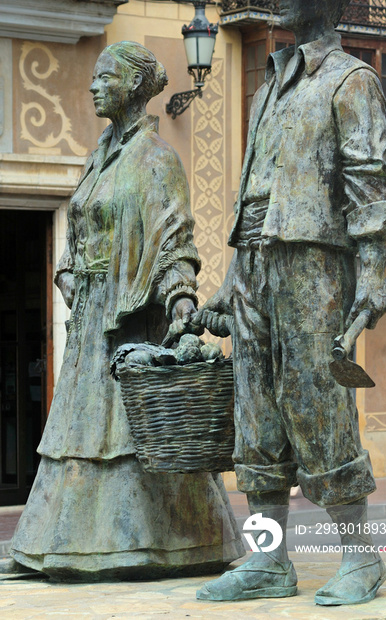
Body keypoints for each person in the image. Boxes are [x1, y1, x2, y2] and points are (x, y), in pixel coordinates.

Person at [195, 0, 386, 606]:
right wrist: (233, 278)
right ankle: (268, 561)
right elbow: (252, 187)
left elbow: (373, 191)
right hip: (255, 262)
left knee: (317, 410)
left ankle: (359, 558)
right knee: (255, 411)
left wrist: (371, 283)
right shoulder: (269, 88)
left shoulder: (352, 80)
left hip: (314, 263)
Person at [7, 41, 244, 581]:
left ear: (134, 86)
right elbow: (83, 223)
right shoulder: (98, 156)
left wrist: (181, 302)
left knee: (134, 433)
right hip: (91, 321)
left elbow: (175, 245)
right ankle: (60, 546)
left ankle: (166, 546)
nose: (92, 85)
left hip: (133, 322)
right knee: (80, 430)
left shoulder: (157, 160)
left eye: (105, 77)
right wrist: (67, 268)